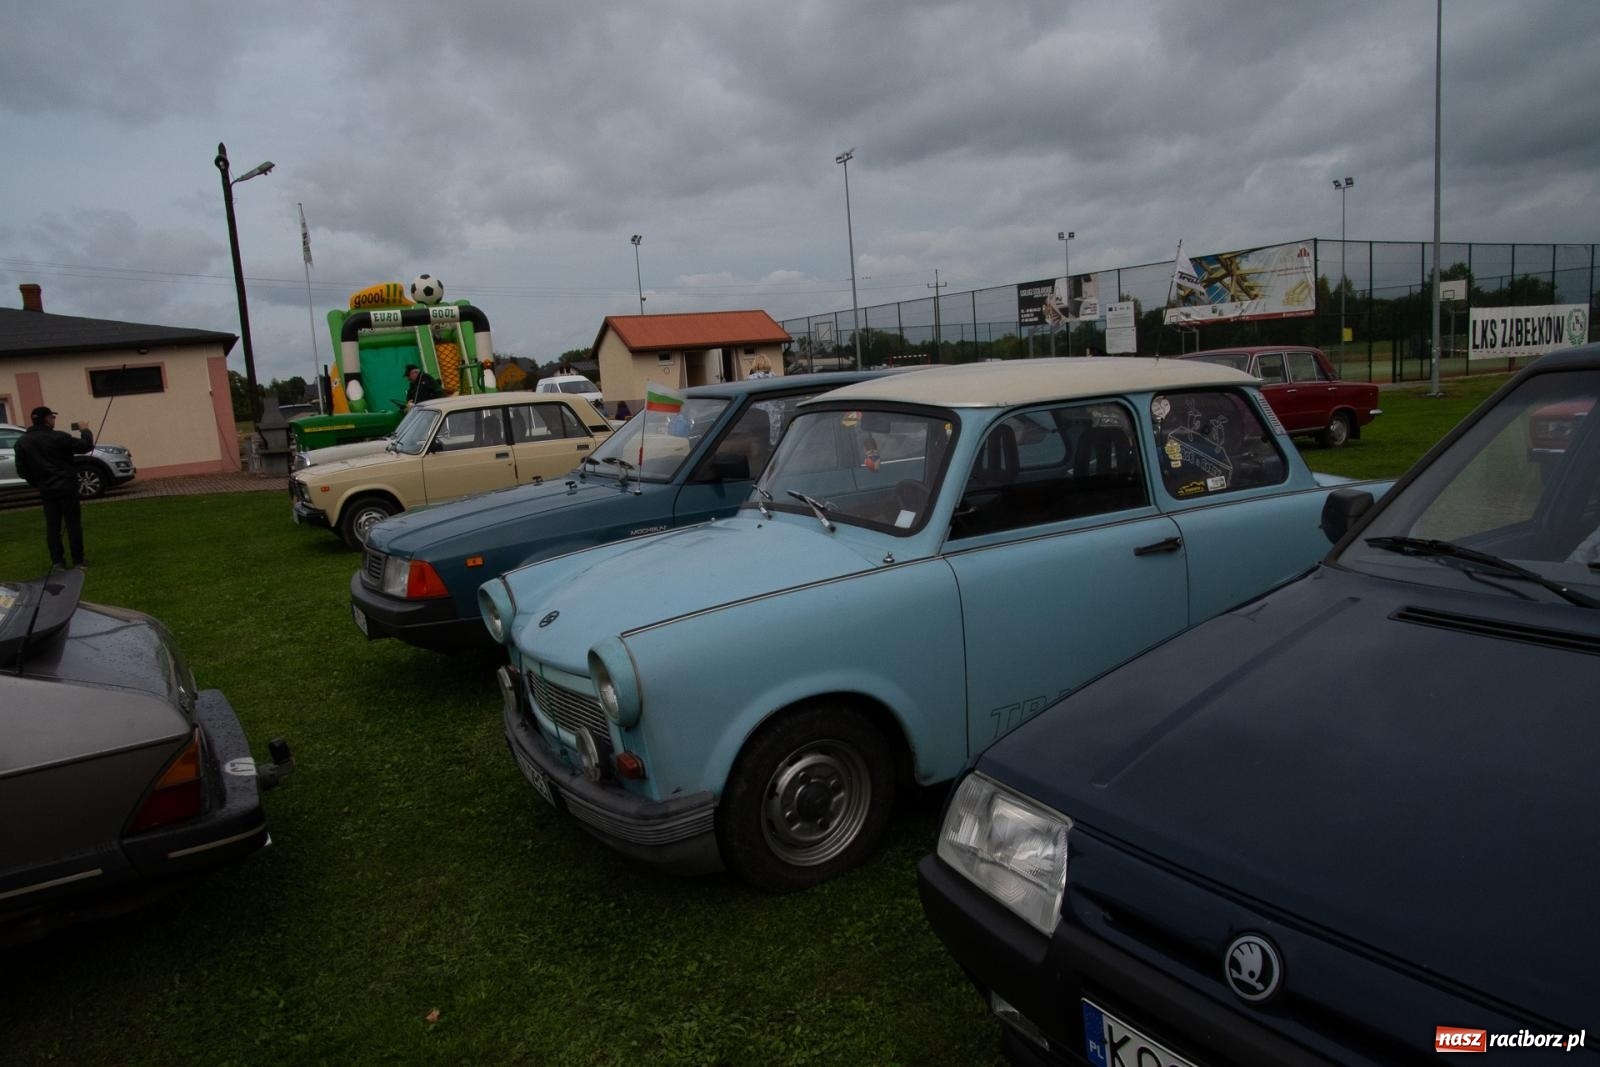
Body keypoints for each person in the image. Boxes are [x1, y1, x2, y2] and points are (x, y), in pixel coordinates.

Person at [14, 406, 94, 568]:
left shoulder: (22, 442)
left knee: (53, 526)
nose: (54, 420)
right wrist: (85, 430)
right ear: (47, 419)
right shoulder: (59, 437)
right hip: (67, 486)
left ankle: (57, 561)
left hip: (46, 489)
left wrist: (36, 483)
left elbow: (22, 470)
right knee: (72, 524)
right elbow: (85, 446)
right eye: (52, 417)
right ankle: (78, 560)